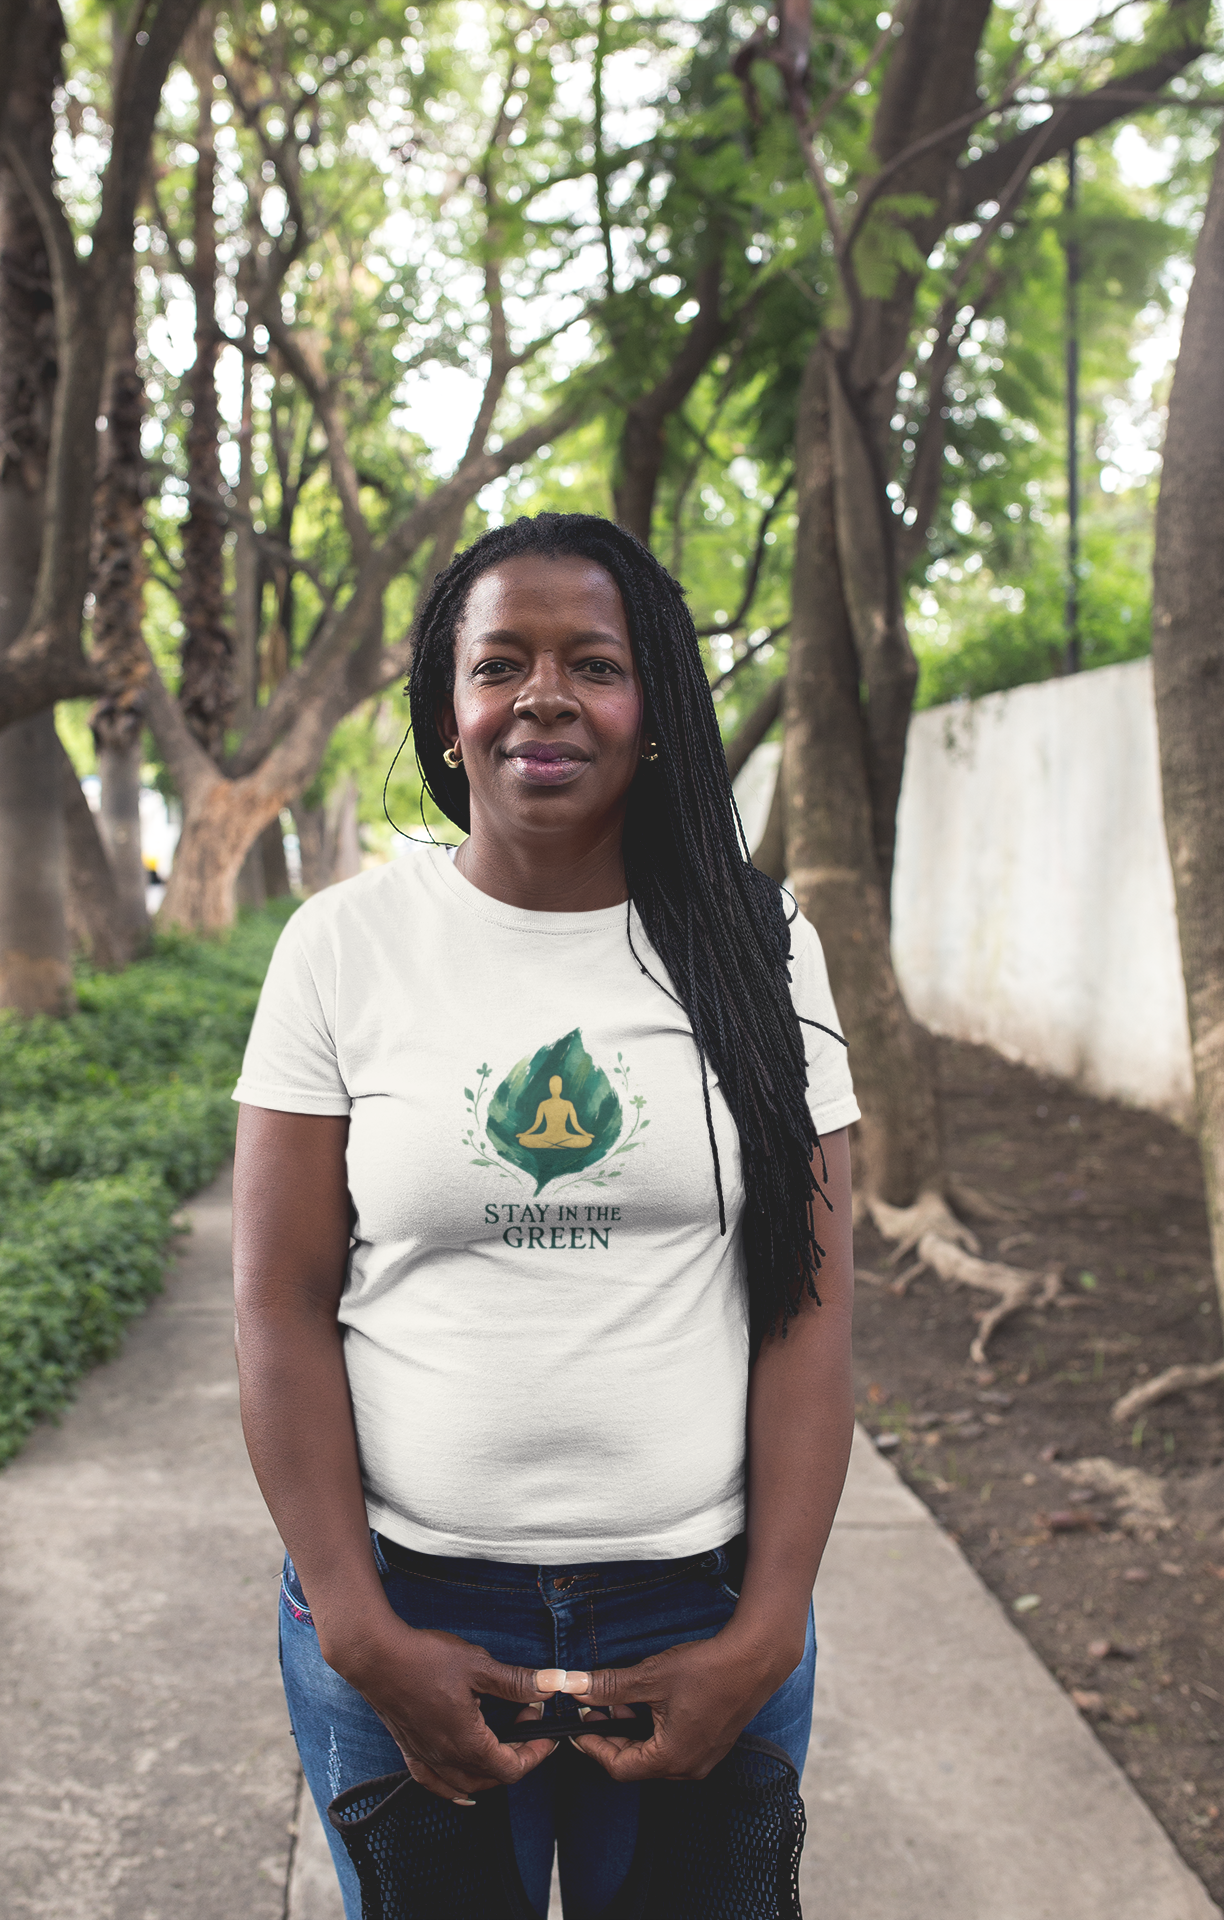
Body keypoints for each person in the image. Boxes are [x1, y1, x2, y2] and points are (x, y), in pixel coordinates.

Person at [231, 512, 858, 1918]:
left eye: (595, 661)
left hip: (695, 1610)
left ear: (657, 714)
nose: (544, 695)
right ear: (448, 719)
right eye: (500, 662)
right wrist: (357, 1626)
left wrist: (764, 1632)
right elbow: (275, 1304)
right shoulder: (344, 948)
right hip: (409, 1605)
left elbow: (811, 1312)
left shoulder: (761, 947)